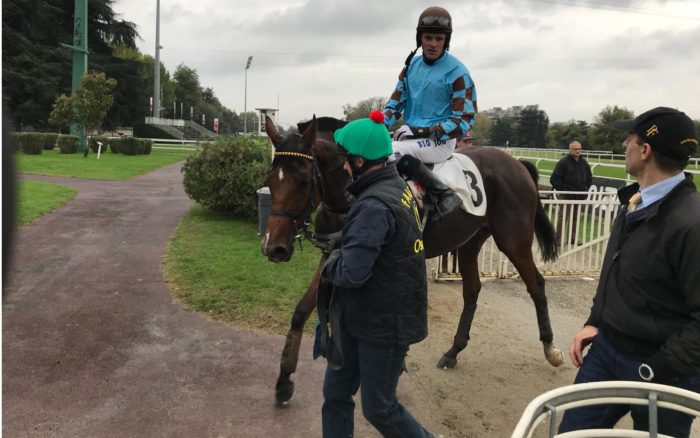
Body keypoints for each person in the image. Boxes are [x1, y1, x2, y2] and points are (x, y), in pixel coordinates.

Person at [559, 107, 700, 437]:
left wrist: (657, 368)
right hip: (607, 352)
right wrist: (595, 320)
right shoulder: (633, 202)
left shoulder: (691, 224)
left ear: (645, 150)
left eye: (630, 139)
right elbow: (614, 271)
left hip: (664, 370)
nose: (624, 144)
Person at [319, 110, 434, 437]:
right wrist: (347, 241)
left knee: (379, 407)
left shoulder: (373, 204)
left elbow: (352, 273)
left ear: (357, 161)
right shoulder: (394, 184)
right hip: (362, 315)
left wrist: (331, 261)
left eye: (344, 158)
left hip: (383, 323)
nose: (341, 165)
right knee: (336, 393)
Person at [383, 5, 478, 219]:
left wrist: (420, 132)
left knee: (391, 151)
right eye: (428, 38)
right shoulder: (410, 67)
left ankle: (443, 193)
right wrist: (377, 124)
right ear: (420, 39)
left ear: (446, 41)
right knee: (375, 147)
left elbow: (464, 120)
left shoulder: (458, 73)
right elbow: (396, 103)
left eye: (439, 39)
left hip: (440, 142)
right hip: (410, 135)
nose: (433, 44)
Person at [550, 140, 593, 244]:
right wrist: (563, 190)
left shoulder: (584, 163)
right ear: (570, 150)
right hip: (566, 195)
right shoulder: (563, 162)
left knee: (575, 218)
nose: (578, 151)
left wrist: (586, 188)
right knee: (562, 217)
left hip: (579, 196)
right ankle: (558, 239)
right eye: (575, 149)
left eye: (579, 149)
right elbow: (554, 179)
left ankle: (571, 239)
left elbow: (589, 177)